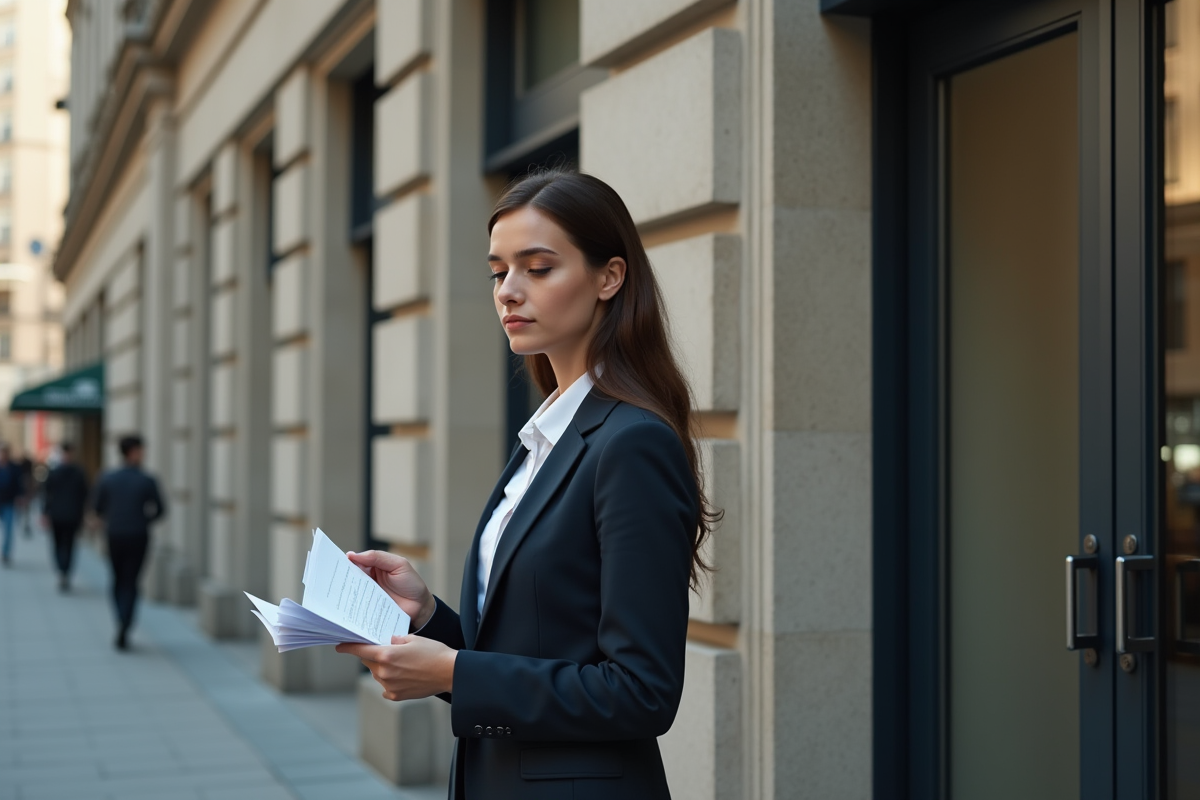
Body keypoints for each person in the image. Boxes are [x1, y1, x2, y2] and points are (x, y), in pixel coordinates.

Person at [336, 170, 719, 799]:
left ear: (609, 278)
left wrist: (455, 673)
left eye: (537, 268)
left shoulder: (631, 443)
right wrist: (428, 618)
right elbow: (533, 647)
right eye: (498, 272)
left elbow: (642, 692)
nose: (509, 292)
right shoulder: (546, 436)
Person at [93, 435, 166, 650]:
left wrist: (111, 518)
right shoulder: (146, 479)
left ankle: (121, 619)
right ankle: (126, 620)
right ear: (133, 451)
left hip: (114, 534)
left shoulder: (108, 478)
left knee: (117, 579)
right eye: (142, 450)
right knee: (132, 580)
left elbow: (98, 508)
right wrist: (144, 520)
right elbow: (161, 510)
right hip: (138, 535)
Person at [41, 442, 89, 591]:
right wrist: (45, 513)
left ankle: (64, 571)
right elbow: (47, 494)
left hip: (70, 515)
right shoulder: (59, 472)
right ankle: (63, 570)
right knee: (61, 544)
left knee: (67, 544)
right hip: (61, 514)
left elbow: (84, 496)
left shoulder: (76, 473)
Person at [0, 445, 21, 565]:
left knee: (8, 530)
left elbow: (19, 484)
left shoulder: (14, 467)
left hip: (9, 502)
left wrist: (20, 496)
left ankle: (6, 553)